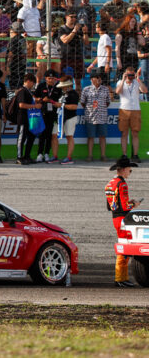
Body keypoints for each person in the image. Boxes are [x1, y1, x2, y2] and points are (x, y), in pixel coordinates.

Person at [106, 155, 142, 287]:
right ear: (124, 169)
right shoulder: (122, 184)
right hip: (123, 219)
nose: (130, 172)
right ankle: (121, 278)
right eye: (130, 170)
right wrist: (134, 204)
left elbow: (111, 206)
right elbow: (125, 206)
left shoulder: (110, 184)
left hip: (115, 217)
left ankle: (121, 278)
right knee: (125, 246)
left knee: (123, 244)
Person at [81, 69, 112, 162]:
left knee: (102, 137)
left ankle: (103, 155)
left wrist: (100, 108)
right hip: (90, 117)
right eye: (97, 77)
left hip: (102, 117)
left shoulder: (105, 89)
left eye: (100, 77)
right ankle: (90, 155)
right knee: (90, 137)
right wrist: (91, 110)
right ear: (91, 79)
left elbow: (108, 102)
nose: (99, 79)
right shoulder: (86, 90)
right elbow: (83, 103)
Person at [115, 67, 145, 164]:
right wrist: (124, 79)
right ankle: (124, 155)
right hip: (124, 109)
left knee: (135, 133)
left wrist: (138, 79)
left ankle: (135, 154)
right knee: (124, 133)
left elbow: (145, 90)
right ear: (125, 74)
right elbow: (117, 92)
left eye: (132, 74)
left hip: (136, 110)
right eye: (129, 75)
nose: (131, 77)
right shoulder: (120, 82)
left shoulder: (136, 82)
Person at [54, 76, 81, 164]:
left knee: (69, 136)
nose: (62, 87)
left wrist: (61, 105)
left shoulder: (74, 94)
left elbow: (74, 107)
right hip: (60, 117)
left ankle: (69, 157)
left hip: (70, 117)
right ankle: (55, 156)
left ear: (68, 85)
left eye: (64, 86)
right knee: (54, 135)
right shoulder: (62, 93)